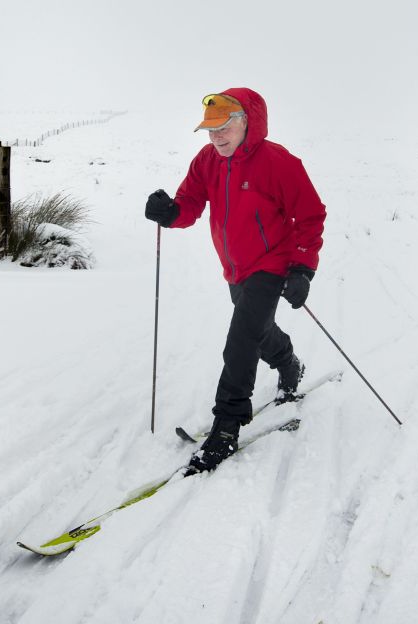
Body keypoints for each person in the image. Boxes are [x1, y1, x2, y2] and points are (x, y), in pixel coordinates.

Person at [145, 88, 327, 474]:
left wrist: (302, 268)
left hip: (271, 264)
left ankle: (227, 426)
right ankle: (289, 363)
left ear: (247, 122)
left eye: (224, 127)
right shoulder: (207, 160)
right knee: (258, 332)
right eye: (210, 130)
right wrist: (170, 212)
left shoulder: (279, 162)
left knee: (241, 338)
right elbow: (190, 204)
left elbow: (310, 215)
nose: (216, 137)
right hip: (234, 267)